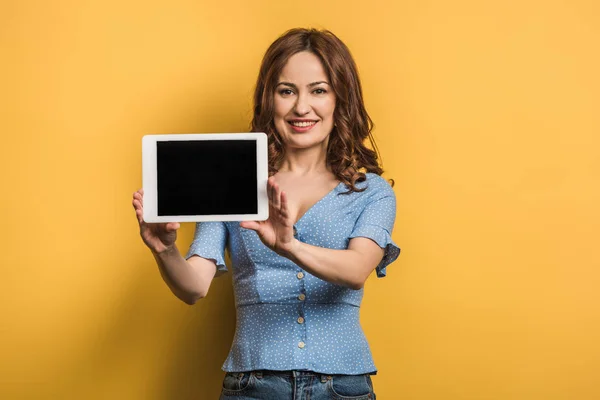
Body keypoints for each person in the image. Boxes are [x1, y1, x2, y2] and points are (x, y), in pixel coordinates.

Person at [132, 28, 400, 400]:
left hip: (342, 387)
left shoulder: (371, 192)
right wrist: (163, 249)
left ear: (341, 99)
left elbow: (356, 270)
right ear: (268, 98)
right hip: (252, 386)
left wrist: (289, 245)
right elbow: (194, 286)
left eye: (318, 90)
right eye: (286, 91)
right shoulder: (230, 184)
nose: (301, 107)